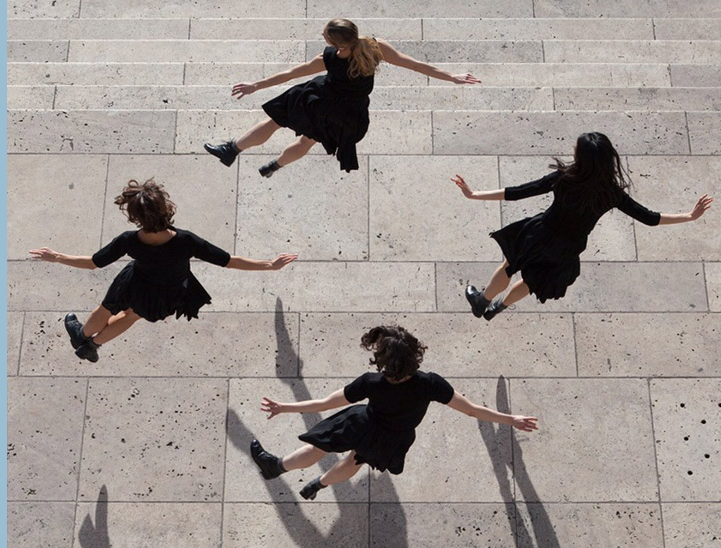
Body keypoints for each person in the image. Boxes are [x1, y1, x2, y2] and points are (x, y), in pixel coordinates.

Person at [249, 325, 537, 500]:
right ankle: (319, 484)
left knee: (319, 446)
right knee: (356, 461)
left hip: (361, 423)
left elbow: (325, 403)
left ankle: (277, 467)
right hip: (393, 439)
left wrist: (285, 407)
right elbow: (473, 411)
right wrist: (511, 419)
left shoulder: (371, 382)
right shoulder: (430, 384)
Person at [29, 178, 298, 362]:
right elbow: (228, 260)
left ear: (135, 216)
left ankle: (82, 335)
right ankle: (93, 346)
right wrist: (270, 265)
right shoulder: (186, 240)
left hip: (135, 284)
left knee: (108, 308)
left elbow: (93, 262)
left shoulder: (129, 240)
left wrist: (57, 257)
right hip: (166, 294)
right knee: (132, 316)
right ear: (165, 209)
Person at [453, 132, 713, 320]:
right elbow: (650, 218)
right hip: (569, 248)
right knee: (533, 281)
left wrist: (474, 194)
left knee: (509, 265)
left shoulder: (564, 178)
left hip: (541, 234)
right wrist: (689, 216)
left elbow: (519, 192)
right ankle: (498, 308)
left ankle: (482, 301)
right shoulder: (611, 193)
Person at [204, 18, 479, 176]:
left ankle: (233, 149)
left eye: (324, 34)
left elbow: (291, 73)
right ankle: (274, 165)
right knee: (307, 141)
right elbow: (417, 65)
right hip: (345, 115)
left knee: (275, 120)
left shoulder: (329, 59)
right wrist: (451, 76)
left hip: (318, 99)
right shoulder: (375, 47)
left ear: (335, 44)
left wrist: (256, 85)